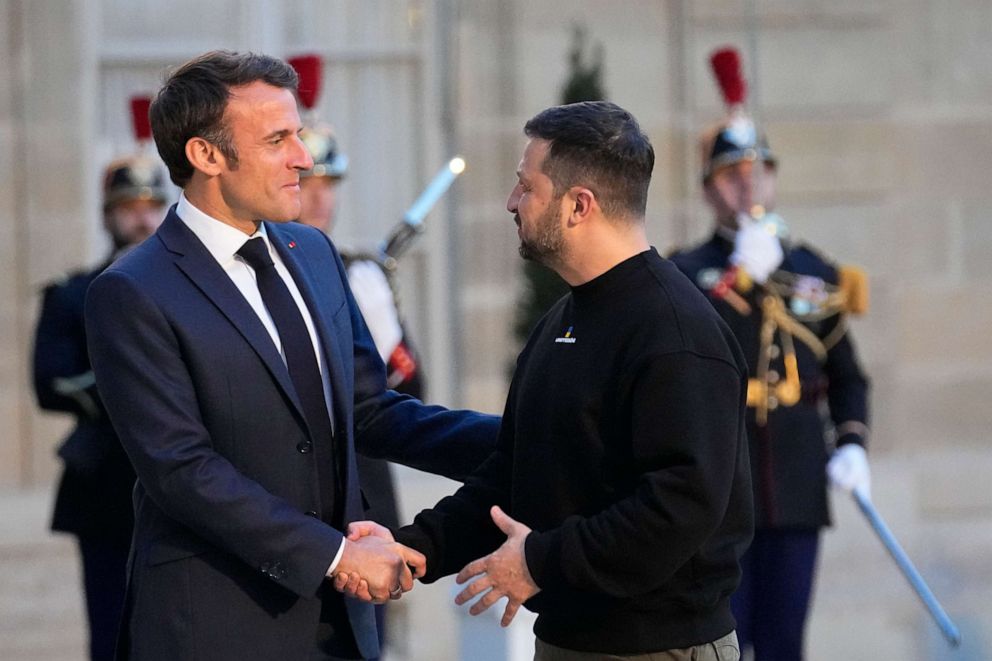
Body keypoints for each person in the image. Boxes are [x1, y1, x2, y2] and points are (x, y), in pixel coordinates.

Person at [84, 50, 498, 661]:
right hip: (216, 626)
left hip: (339, 627)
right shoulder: (132, 291)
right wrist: (334, 555)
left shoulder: (314, 253)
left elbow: (368, 409)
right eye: (278, 139)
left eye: (297, 135)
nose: (303, 158)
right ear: (206, 156)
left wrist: (520, 441)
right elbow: (182, 470)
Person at [343, 101, 753, 660]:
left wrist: (540, 561)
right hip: (566, 640)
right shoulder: (563, 319)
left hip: (659, 647)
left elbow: (678, 507)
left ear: (578, 205)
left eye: (525, 187)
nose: (512, 203)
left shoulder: (675, 332)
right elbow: (513, 475)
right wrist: (417, 548)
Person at [667, 47, 871, 661]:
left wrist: (855, 441)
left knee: (785, 644)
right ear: (709, 189)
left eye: (759, 172)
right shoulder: (687, 271)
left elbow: (846, 373)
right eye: (732, 174)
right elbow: (693, 360)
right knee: (721, 642)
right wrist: (741, 282)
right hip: (721, 488)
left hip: (797, 480)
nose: (748, 184)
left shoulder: (814, 271)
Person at [291, 53, 428, 653]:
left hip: (368, 479)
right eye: (309, 184)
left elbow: (407, 389)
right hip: (301, 499)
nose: (321, 200)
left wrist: (387, 339)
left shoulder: (358, 269)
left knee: (374, 641)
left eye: (330, 186)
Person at [32, 150, 168, 661]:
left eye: (152, 204)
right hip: (107, 487)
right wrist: (126, 381)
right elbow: (51, 382)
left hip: (180, 483)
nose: (142, 217)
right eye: (128, 205)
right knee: (112, 632)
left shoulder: (188, 293)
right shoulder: (71, 295)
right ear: (108, 214)